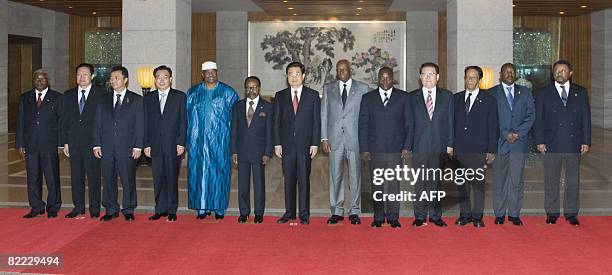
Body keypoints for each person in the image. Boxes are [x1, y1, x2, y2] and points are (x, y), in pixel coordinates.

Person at [535, 60, 591, 226]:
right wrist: (539, 141)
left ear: (570, 73)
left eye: (563, 70)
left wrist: (586, 141)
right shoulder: (544, 93)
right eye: (556, 71)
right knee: (551, 181)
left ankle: (571, 213)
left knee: (573, 181)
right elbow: (538, 120)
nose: (559, 73)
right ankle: (552, 213)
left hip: (574, 143)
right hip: (551, 144)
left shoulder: (580, 92)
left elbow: (585, 118)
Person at [358, 67, 411, 228]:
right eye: (382, 78)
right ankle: (379, 216)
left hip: (396, 149)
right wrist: (365, 149)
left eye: (388, 78)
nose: (385, 81)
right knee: (377, 184)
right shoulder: (368, 98)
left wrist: (407, 146)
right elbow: (363, 125)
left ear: (393, 78)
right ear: (378, 79)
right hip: (375, 150)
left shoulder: (403, 97)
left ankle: (394, 217)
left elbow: (409, 124)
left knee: (394, 184)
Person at [186, 61, 239, 220]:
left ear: (217, 73)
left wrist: (234, 143)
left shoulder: (228, 93)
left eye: (213, 72)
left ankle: (219, 208)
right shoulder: (193, 93)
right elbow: (186, 118)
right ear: (202, 74)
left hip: (221, 142)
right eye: (207, 72)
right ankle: (202, 208)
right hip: (198, 143)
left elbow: (236, 120)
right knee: (199, 173)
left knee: (219, 174)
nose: (210, 75)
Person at [321, 59, 369, 225]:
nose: (342, 71)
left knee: (355, 175)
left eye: (344, 68)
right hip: (334, 139)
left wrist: (366, 140)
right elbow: (324, 114)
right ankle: (337, 210)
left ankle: (354, 210)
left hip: (355, 139)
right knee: (335, 176)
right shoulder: (328, 89)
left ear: (350, 69)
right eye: (339, 69)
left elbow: (366, 116)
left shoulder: (362, 88)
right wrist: (324, 138)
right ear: (336, 71)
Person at [93, 66, 144, 222]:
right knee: (108, 178)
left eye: (117, 78)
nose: (113, 81)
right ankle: (111, 208)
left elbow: (140, 125)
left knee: (128, 179)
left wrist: (138, 146)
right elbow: (97, 123)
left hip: (127, 147)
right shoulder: (103, 99)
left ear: (125, 80)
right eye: (112, 78)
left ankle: (128, 209)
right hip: (107, 147)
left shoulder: (136, 100)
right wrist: (96, 144)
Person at [406, 62, 454, 227]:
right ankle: (419, 216)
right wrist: (408, 146)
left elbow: (450, 122)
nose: (428, 77)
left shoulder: (448, 96)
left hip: (439, 146)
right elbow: (408, 124)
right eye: (424, 74)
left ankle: (435, 215)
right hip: (418, 146)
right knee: (419, 183)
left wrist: (450, 144)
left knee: (435, 182)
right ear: (420, 78)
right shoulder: (411, 97)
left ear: (438, 77)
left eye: (431, 74)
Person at [273, 61, 321, 225]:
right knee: (288, 180)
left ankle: (304, 214)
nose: (294, 77)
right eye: (290, 74)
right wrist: (277, 144)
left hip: (305, 145)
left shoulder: (313, 95)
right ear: (287, 77)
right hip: (286, 146)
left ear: (304, 76)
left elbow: (316, 121)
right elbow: (276, 122)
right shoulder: (280, 96)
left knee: (304, 180)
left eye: (297, 74)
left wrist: (315, 143)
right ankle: (289, 212)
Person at [489, 63, 535, 226]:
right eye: (506, 71)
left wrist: (517, 134)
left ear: (515, 74)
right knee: (499, 181)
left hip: (518, 143)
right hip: (499, 143)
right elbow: (490, 119)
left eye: (512, 71)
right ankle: (500, 214)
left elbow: (531, 116)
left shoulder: (526, 93)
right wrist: (504, 134)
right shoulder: (491, 93)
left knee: (516, 180)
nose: (509, 73)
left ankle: (514, 214)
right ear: (500, 74)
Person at [453, 66, 499, 228]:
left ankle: (477, 217)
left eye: (473, 77)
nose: (470, 80)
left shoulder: (489, 100)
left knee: (478, 184)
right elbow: (452, 124)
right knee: (462, 184)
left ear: (479, 79)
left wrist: (491, 150)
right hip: (460, 149)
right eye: (467, 77)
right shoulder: (456, 98)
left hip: (479, 149)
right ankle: (464, 215)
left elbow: (493, 127)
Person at [16, 69, 63, 218]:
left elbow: (62, 123)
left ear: (47, 81)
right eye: (37, 78)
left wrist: (61, 144)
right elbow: (20, 122)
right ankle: (36, 207)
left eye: (43, 79)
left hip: (50, 144)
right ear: (33, 80)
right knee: (32, 177)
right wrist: (20, 144)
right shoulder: (25, 98)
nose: (40, 81)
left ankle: (53, 207)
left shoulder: (57, 98)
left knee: (52, 177)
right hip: (31, 145)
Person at [62, 63, 106, 219]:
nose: (82, 77)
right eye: (79, 74)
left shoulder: (101, 94)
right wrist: (65, 142)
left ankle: (95, 208)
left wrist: (100, 142)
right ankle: (78, 207)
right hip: (74, 143)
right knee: (76, 177)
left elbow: (103, 121)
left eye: (85, 74)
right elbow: (64, 121)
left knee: (94, 177)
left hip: (93, 143)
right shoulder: (68, 95)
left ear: (92, 76)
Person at [143, 65, 186, 222]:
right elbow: (145, 123)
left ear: (171, 79)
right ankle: (160, 209)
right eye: (158, 77)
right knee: (158, 177)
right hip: (154, 145)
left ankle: (172, 209)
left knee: (171, 177)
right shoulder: (148, 98)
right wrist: (146, 144)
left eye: (165, 77)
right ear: (155, 80)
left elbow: (183, 121)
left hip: (173, 144)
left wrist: (181, 142)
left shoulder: (180, 97)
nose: (161, 80)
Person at [231, 76, 273, 224]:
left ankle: (259, 213)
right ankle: (244, 212)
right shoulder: (237, 106)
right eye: (249, 87)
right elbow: (234, 130)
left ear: (259, 88)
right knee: (242, 184)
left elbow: (270, 132)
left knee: (259, 184)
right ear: (245, 89)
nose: (251, 90)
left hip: (259, 153)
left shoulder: (267, 107)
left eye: (254, 87)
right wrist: (234, 151)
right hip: (242, 151)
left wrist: (268, 152)